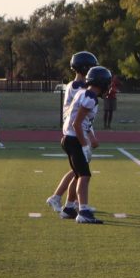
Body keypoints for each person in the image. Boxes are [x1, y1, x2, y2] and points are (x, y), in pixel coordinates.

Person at [46, 65, 111, 224]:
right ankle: (83, 211)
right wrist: (84, 146)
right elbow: (77, 123)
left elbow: (79, 121)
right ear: (101, 82)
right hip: (74, 139)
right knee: (85, 175)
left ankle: (69, 208)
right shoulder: (90, 97)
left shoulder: (83, 92)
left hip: (70, 138)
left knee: (78, 174)